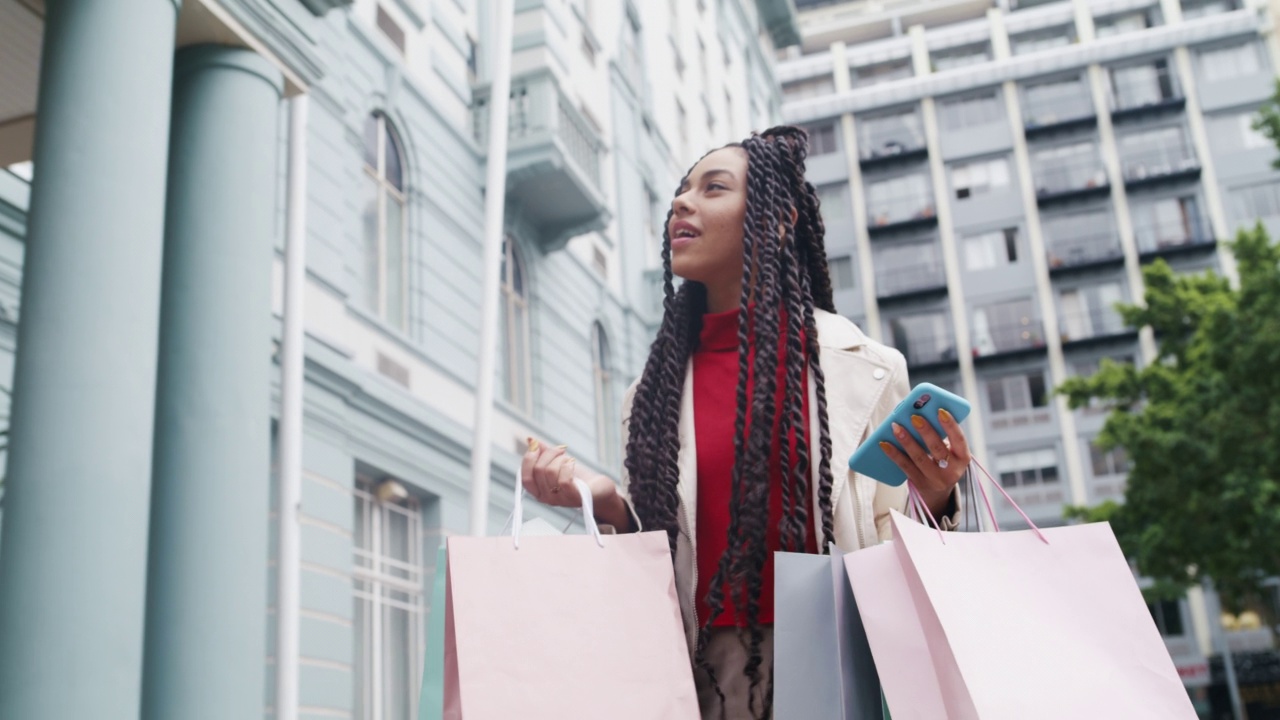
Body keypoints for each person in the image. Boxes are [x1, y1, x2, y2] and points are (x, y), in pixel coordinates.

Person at [520, 126, 969, 719]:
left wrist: (937, 492)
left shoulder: (864, 368)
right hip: (698, 669)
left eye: (713, 188)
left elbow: (893, 544)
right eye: (682, 190)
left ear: (778, 220)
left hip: (836, 655)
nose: (683, 202)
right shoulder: (648, 395)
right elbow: (662, 553)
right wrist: (605, 502)